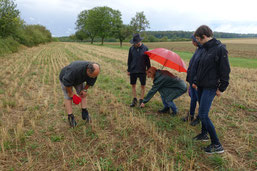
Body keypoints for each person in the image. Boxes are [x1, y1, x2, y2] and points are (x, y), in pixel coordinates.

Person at [192, 25, 230, 154]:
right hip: (201, 86)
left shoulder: (220, 49)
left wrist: (221, 88)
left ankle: (217, 145)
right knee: (202, 112)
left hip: (211, 87)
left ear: (204, 36)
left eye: (198, 38)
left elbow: (225, 71)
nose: (197, 41)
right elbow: (201, 67)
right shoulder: (204, 49)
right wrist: (196, 82)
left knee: (203, 114)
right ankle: (204, 134)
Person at [59, 61, 100, 127]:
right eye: (92, 76)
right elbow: (66, 82)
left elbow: (90, 81)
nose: (94, 77)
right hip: (65, 78)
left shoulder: (94, 73)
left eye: (95, 76)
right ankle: (70, 117)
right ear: (88, 70)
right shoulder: (74, 70)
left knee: (83, 94)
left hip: (79, 79)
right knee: (68, 97)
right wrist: (71, 93)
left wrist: (85, 89)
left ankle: (84, 111)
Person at [182, 35, 203, 126]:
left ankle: (199, 118)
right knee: (193, 99)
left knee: (199, 100)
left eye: (193, 40)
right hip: (192, 80)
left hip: (197, 82)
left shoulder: (203, 51)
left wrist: (195, 82)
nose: (192, 42)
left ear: (197, 41)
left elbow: (200, 69)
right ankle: (191, 115)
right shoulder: (198, 49)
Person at [127, 33, 151, 107]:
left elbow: (147, 61)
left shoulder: (145, 48)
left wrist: (148, 70)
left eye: (135, 43)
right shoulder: (131, 49)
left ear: (139, 42)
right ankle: (134, 100)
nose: (134, 44)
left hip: (142, 70)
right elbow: (129, 60)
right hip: (133, 70)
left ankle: (141, 100)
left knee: (143, 86)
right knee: (133, 85)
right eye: (133, 43)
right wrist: (128, 70)